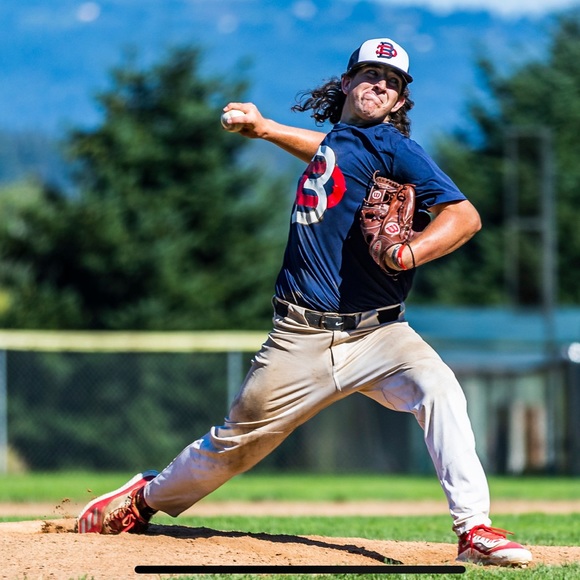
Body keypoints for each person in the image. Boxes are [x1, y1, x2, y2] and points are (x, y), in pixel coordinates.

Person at [77, 37, 533, 567]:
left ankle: (473, 528)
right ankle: (145, 498)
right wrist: (265, 128)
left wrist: (410, 253)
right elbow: (327, 151)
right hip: (301, 336)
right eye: (369, 73)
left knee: (440, 390)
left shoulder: (395, 147)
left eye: (392, 82)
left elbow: (465, 215)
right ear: (346, 82)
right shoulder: (344, 140)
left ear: (401, 101)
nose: (379, 83)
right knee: (234, 448)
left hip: (381, 334)